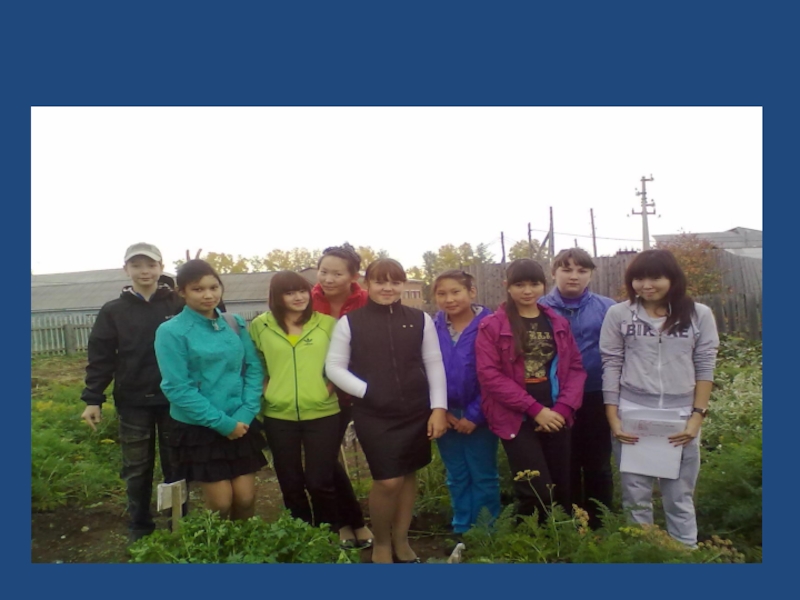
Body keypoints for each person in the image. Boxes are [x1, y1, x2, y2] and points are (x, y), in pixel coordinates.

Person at [326, 258, 448, 564]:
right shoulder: (350, 322)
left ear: (403, 284)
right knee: (388, 480)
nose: (388, 288)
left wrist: (438, 408)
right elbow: (335, 367)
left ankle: (401, 540)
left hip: (416, 411)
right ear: (367, 284)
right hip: (374, 413)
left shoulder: (420, 319)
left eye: (395, 282)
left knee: (408, 474)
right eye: (380, 281)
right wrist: (368, 391)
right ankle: (381, 543)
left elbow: (434, 364)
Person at [600, 249, 719, 547]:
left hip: (681, 415)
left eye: (655, 278)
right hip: (633, 411)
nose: (646, 285)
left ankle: (685, 553)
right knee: (635, 496)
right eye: (638, 279)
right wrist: (613, 417)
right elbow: (611, 363)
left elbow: (705, 365)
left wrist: (697, 416)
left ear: (672, 279)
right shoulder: (619, 314)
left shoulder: (699, 314)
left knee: (679, 495)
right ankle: (644, 554)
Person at [80, 242, 184, 543]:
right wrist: (93, 398)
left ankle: (179, 523)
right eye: (136, 265)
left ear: (161, 267)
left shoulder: (178, 305)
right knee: (136, 467)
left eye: (150, 265)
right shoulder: (114, 311)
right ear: (126, 270)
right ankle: (140, 526)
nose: (144, 271)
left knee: (177, 463)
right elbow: (101, 357)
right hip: (133, 401)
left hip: (176, 400)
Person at [154, 259, 266, 520]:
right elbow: (177, 388)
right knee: (221, 504)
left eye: (213, 287)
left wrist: (246, 413)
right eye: (198, 289)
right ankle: (217, 544)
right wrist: (223, 424)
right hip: (201, 428)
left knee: (246, 499)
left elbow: (253, 368)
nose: (208, 295)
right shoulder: (171, 331)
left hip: (241, 422)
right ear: (182, 292)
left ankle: (243, 543)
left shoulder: (234, 323)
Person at [475, 259, 586, 520]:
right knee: (536, 489)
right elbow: (489, 375)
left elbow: (575, 369)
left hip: (556, 413)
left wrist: (562, 409)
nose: (527, 291)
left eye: (534, 284)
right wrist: (535, 410)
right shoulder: (492, 326)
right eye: (519, 285)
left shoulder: (557, 323)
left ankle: (561, 539)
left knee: (561, 486)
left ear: (543, 285)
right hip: (516, 416)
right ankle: (529, 537)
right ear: (507, 286)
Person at [249, 271, 341, 531]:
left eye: (302, 291)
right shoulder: (260, 326)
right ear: (276, 297)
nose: (299, 297)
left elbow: (343, 361)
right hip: (278, 415)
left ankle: (327, 537)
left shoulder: (327, 324)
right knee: (290, 483)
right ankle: (301, 536)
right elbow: (255, 363)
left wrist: (329, 387)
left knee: (320, 482)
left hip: (322, 413)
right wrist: (267, 389)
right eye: (289, 293)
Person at [539, 248, 616, 528]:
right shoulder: (538, 308)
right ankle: (568, 522)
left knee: (597, 461)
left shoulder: (608, 308)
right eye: (566, 269)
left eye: (582, 271)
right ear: (553, 273)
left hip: (596, 393)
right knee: (563, 461)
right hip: (554, 399)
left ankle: (601, 522)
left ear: (591, 274)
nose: (574, 276)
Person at [311, 243, 374, 548]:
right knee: (324, 460)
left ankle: (352, 522)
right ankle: (348, 523)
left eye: (337, 274)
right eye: (323, 271)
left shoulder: (367, 301)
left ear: (353, 276)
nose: (328, 279)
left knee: (378, 463)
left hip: (359, 390)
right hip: (319, 392)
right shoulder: (307, 300)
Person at [432, 270, 500, 537]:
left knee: (483, 474)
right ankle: (461, 529)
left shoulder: (491, 325)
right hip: (445, 414)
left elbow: (497, 375)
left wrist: (474, 415)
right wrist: (440, 410)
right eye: (442, 293)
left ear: (472, 292)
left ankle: (487, 532)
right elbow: (423, 370)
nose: (449, 299)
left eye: (455, 292)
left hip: (482, 414)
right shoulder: (432, 328)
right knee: (457, 474)